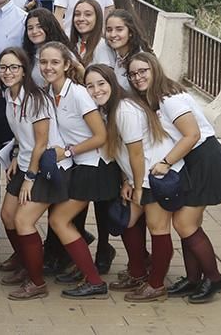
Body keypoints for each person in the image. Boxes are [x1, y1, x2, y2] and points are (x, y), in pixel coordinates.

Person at [127, 51, 221, 303]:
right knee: (187, 224)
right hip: (195, 161)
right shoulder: (161, 97)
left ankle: (215, 279)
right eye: (133, 74)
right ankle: (193, 279)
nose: (138, 77)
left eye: (143, 71)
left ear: (154, 69)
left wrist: (165, 163)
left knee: (185, 224)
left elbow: (192, 135)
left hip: (204, 160)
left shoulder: (168, 100)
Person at [84, 64, 177, 303]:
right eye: (90, 85)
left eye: (101, 83)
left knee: (158, 229)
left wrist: (137, 187)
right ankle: (137, 272)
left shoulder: (124, 109)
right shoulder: (108, 109)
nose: (96, 90)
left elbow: (136, 153)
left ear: (112, 83)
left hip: (154, 176)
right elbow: (123, 153)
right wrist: (127, 181)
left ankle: (156, 285)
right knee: (127, 222)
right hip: (138, 177)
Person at [38, 41, 112, 299]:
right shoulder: (48, 94)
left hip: (95, 166)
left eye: (55, 62)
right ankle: (81, 266)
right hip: (79, 165)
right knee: (59, 219)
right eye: (44, 62)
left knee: (59, 220)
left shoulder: (79, 93)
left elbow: (101, 136)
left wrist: (68, 152)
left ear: (67, 65)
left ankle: (94, 280)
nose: (49, 67)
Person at [0, 47, 70, 299]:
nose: (8, 72)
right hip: (27, 161)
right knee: (7, 215)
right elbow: (21, 135)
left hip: (46, 167)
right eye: (3, 68)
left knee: (23, 221)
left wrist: (29, 178)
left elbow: (41, 142)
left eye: (14, 67)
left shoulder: (36, 99)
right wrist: (16, 155)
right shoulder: (8, 94)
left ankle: (37, 282)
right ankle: (25, 262)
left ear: (24, 70)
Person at [103, 10, 150, 91]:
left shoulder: (139, 61)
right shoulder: (116, 55)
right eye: (109, 30)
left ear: (130, 32)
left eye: (119, 29)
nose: (113, 34)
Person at [70, 0, 111, 66]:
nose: (81, 19)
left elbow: (105, 75)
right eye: (77, 14)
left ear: (97, 18)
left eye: (88, 14)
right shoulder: (73, 45)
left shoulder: (102, 46)